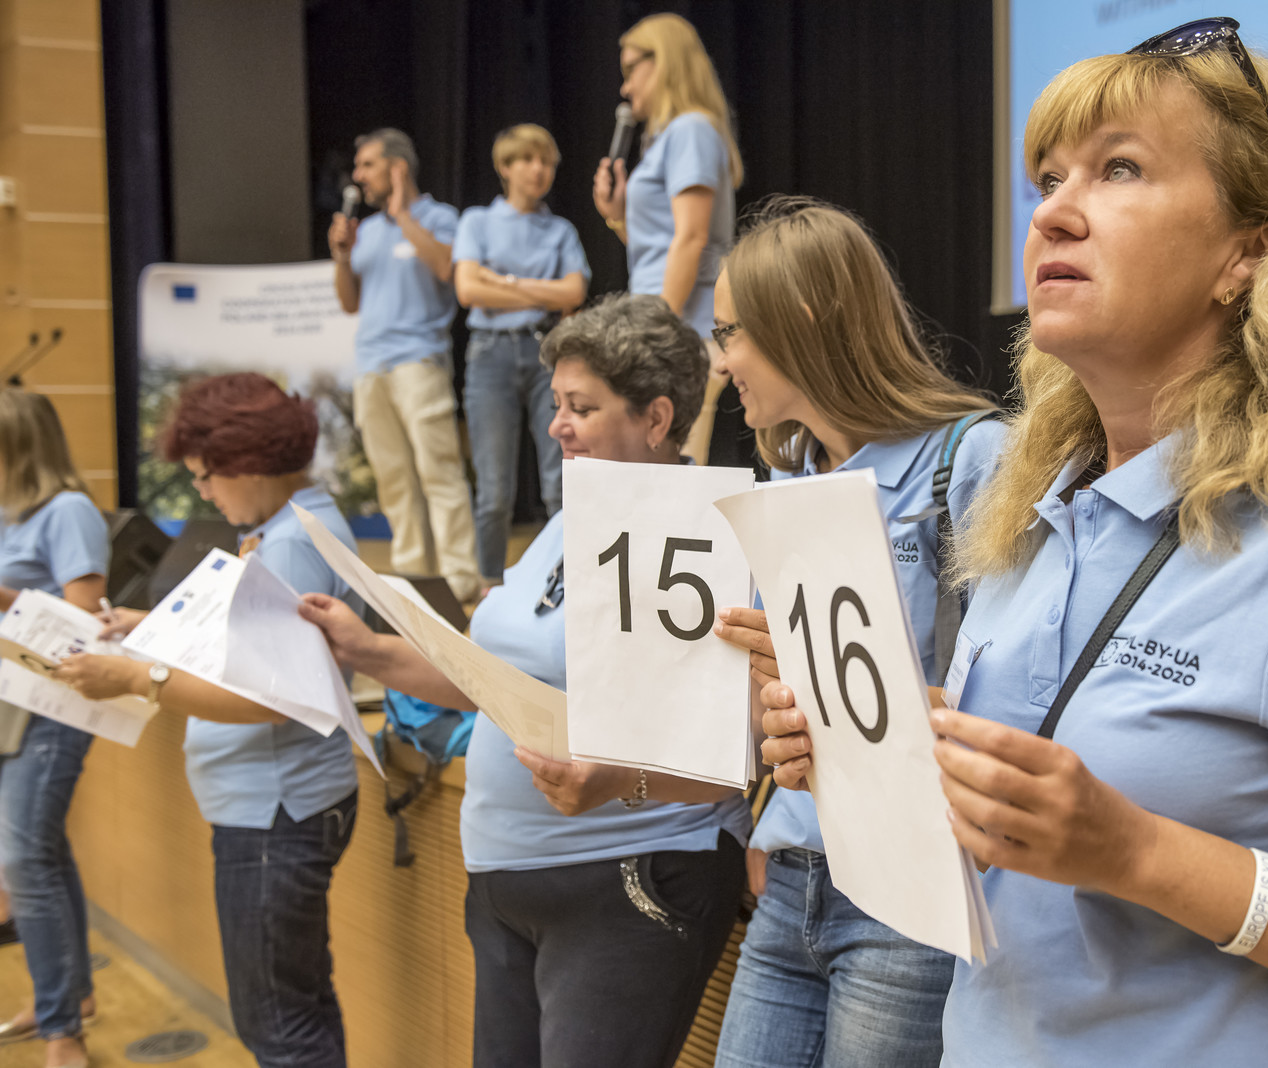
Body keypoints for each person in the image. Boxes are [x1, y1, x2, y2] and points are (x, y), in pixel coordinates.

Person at [758, 19, 1268, 1066]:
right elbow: (1028, 839)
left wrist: (1139, 855)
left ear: (1250, 252)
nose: (1053, 212)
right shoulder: (1034, 517)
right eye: (1048, 180)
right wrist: (879, 750)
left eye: (1119, 169)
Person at [298, 293, 749, 1068]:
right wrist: (367, 650)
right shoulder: (565, 520)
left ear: (656, 418)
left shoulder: (709, 533)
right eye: (556, 404)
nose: (556, 425)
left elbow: (735, 754)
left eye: (582, 407)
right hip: (503, 881)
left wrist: (622, 784)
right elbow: (494, 685)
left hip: (630, 879)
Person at [706, 200, 1003, 1068]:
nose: (720, 362)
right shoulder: (787, 477)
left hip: (909, 888)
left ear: (801, 318)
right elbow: (789, 705)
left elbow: (1022, 703)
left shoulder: (973, 459)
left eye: (729, 333)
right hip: (789, 877)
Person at [55, 373, 360, 1068]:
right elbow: (248, 644)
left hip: (275, 811)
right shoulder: (290, 525)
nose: (202, 492)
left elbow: (277, 697)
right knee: (298, 1007)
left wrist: (138, 678)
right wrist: (145, 624)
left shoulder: (290, 544)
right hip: (276, 805)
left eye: (205, 475)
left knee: (277, 1027)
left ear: (247, 463)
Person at [0, 389, 106, 1068]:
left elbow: (84, 624)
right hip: (9, 706)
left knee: (25, 859)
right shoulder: (8, 513)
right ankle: (67, 998)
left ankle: (62, 1030)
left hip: (49, 709)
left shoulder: (68, 512)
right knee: (40, 852)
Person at [329, 126, 480, 602]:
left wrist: (404, 217)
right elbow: (349, 303)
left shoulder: (441, 217)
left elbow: (447, 268)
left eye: (367, 165)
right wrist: (341, 258)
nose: (358, 177)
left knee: (439, 470)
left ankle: (460, 577)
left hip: (419, 361)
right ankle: (414, 575)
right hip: (370, 366)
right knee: (393, 478)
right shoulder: (367, 232)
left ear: (398, 168)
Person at [592, 12, 742, 466]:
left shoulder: (691, 129)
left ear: (663, 61)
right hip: (671, 323)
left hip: (683, 331)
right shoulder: (671, 137)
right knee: (660, 470)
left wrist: (656, 334)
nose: (625, 88)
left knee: (677, 472)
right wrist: (617, 218)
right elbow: (660, 247)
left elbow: (692, 238)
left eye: (630, 69)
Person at [454, 123, 590, 585]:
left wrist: (503, 282)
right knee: (494, 491)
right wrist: (542, 291)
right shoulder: (477, 221)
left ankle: (568, 581)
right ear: (505, 167)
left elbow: (573, 293)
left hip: (546, 351)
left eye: (547, 161)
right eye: (528, 160)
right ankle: (489, 587)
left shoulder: (560, 230)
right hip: (489, 355)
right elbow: (469, 289)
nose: (539, 170)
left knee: (559, 481)